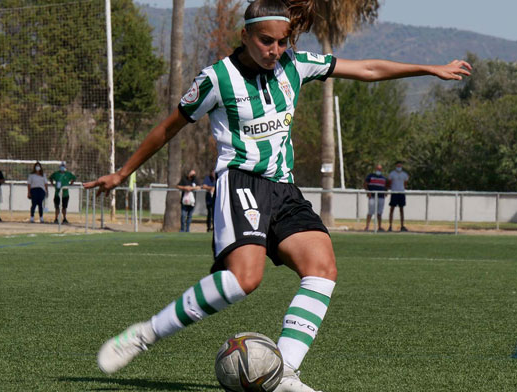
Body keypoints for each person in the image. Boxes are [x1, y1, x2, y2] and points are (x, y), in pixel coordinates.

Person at [83, 1, 470, 390]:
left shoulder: (296, 65)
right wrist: (122, 172)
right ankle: (144, 335)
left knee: (322, 268)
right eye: (266, 41)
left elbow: (366, 69)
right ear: (245, 36)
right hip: (241, 183)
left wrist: (430, 69)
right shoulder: (217, 78)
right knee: (245, 280)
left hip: (284, 189)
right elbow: (168, 128)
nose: (274, 50)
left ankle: (284, 372)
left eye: (281, 42)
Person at [364, 164, 387, 232]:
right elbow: (365, 184)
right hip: (373, 197)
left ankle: (379, 226)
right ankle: (367, 226)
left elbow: (386, 186)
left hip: (381, 197)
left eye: (380, 169)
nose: (378, 170)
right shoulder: (370, 176)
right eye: (377, 169)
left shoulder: (383, 178)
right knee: (370, 212)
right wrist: (368, 192)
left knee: (379, 213)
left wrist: (385, 192)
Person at [387, 161, 409, 232]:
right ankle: (390, 226)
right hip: (394, 192)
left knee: (401, 210)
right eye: (398, 166)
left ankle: (402, 226)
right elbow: (389, 183)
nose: (399, 167)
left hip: (401, 193)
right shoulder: (392, 174)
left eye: (400, 166)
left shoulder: (404, 174)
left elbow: (405, 184)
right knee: (392, 209)